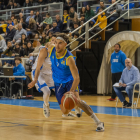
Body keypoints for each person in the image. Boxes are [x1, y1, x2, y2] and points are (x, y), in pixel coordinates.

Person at [28, 33, 104, 131]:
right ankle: (76, 104)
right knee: (65, 111)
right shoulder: (50, 50)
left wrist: (72, 91)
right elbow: (42, 57)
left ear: (65, 44)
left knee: (78, 101)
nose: (57, 45)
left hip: (69, 81)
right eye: (56, 43)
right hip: (58, 83)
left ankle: (98, 122)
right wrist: (35, 80)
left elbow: (77, 78)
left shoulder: (69, 58)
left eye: (60, 43)